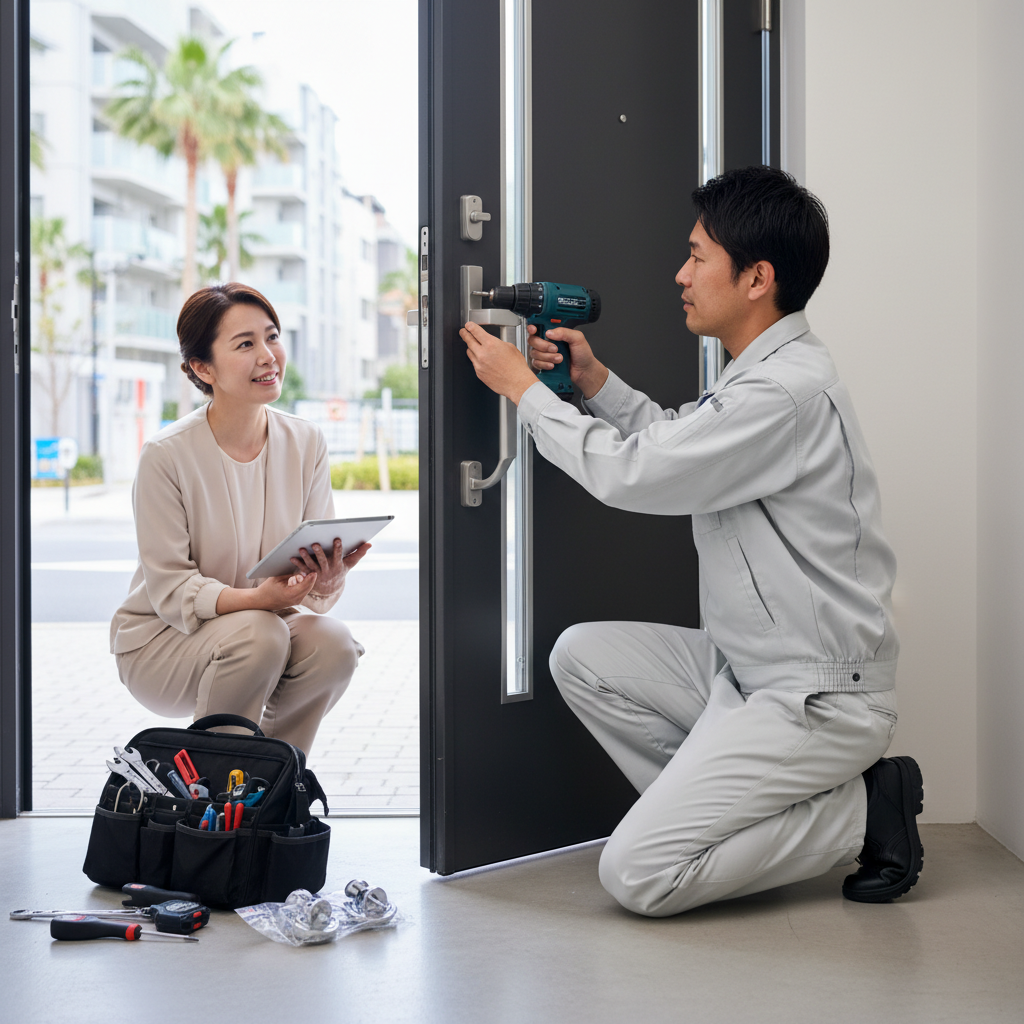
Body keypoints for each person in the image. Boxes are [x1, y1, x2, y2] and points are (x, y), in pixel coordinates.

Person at [459, 165, 923, 916]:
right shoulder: (762, 374)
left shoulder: (781, 391)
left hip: (815, 695)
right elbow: (680, 444)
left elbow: (636, 474)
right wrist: (597, 383)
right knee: (582, 656)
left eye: (698, 255)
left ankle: (863, 811)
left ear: (756, 278)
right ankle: (733, 817)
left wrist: (525, 391)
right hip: (748, 672)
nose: (681, 273)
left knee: (637, 876)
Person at [111, 283, 368, 755]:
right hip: (163, 643)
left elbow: (306, 563)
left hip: (263, 628)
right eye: (246, 344)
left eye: (272, 337)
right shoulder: (166, 455)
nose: (268, 356)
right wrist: (257, 599)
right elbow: (170, 588)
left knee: (333, 643)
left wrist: (326, 579)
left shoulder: (306, 441)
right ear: (202, 368)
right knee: (260, 632)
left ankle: (273, 781)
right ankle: (216, 785)